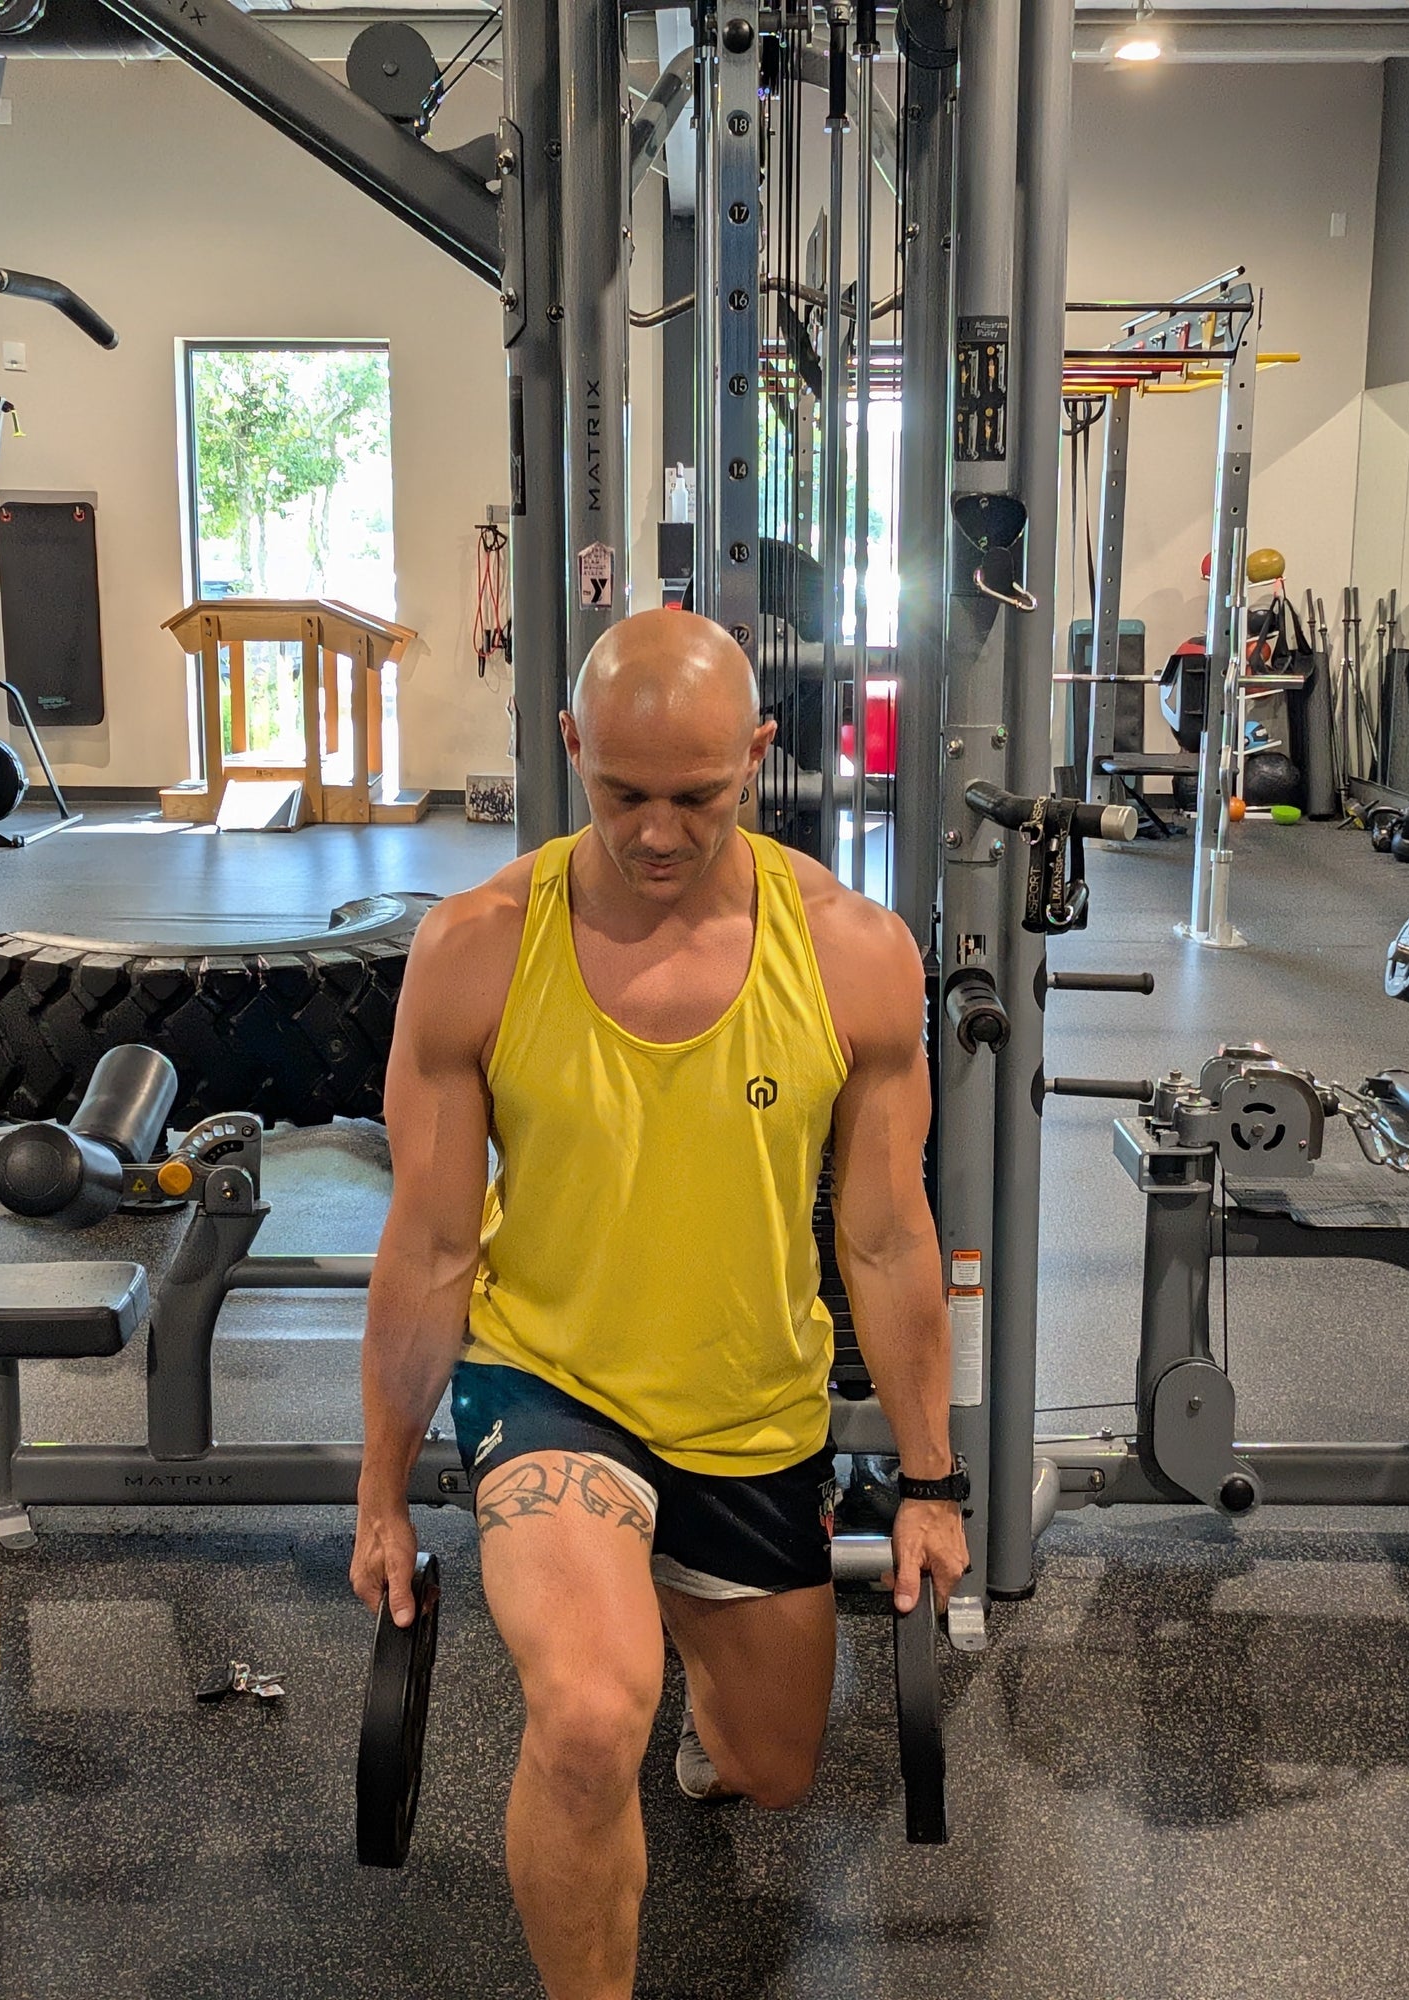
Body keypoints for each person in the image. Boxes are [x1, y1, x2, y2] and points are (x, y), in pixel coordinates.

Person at [352, 609, 968, 2000]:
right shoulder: (479, 947)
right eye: (622, 793)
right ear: (570, 746)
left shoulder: (852, 953)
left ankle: (694, 1660)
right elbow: (434, 1242)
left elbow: (884, 1236)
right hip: (549, 1381)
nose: (658, 831)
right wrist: (382, 1493)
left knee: (773, 1770)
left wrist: (932, 1479)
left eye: (699, 796)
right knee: (582, 1717)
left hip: (750, 1406)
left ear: (761, 755)